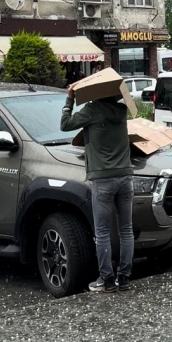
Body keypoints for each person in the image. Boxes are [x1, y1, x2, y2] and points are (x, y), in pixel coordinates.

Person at [60, 84, 134, 293]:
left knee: (102, 232)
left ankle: (107, 280)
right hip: (125, 177)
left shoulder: (91, 111)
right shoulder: (121, 111)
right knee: (125, 229)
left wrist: (70, 99)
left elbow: (65, 124)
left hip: (103, 179)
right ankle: (125, 278)